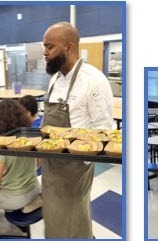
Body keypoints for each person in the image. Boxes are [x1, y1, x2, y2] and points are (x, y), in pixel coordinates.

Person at [42, 22, 114, 238]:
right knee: (54, 217)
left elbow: (104, 130)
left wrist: (82, 158)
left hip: (75, 165)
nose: (44, 53)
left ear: (69, 47)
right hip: (50, 160)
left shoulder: (93, 80)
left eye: (49, 47)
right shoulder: (54, 79)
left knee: (73, 216)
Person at [0, 99, 40, 235]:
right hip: (34, 188)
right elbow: (38, 164)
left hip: (16, 197)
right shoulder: (29, 138)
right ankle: (30, 203)